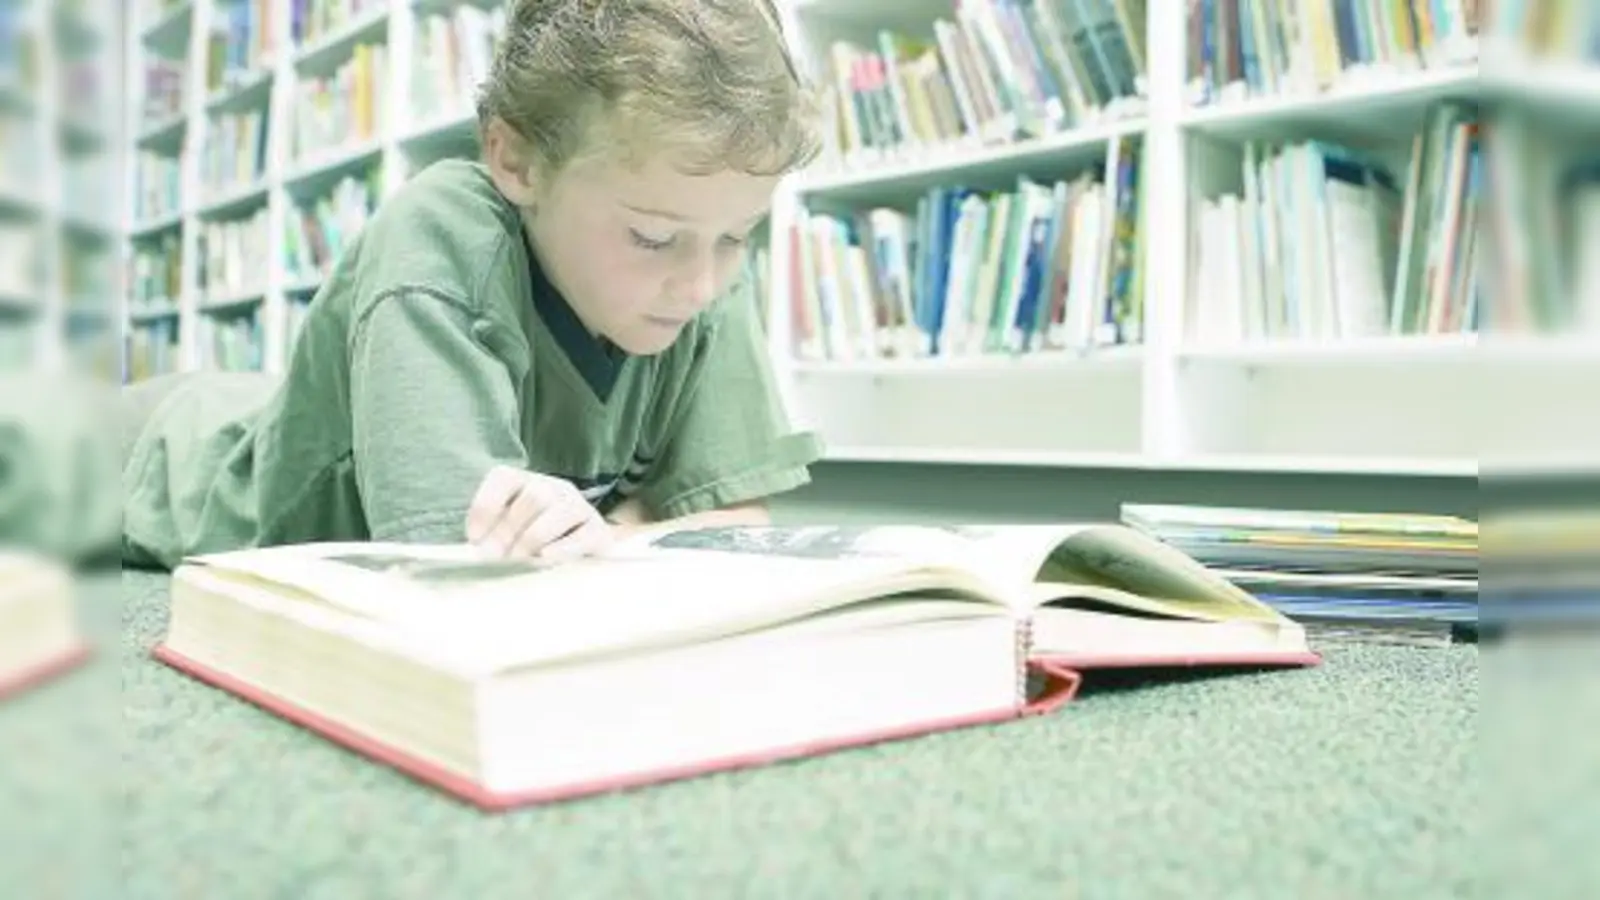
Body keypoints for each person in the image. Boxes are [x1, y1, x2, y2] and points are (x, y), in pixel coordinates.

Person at [120, 0, 824, 571]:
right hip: (158, 455)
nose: (702, 284)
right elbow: (456, 566)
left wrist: (606, 540)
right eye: (650, 238)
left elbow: (741, 525)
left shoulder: (696, 247)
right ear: (514, 158)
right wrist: (640, 525)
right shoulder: (441, 228)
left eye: (738, 237)